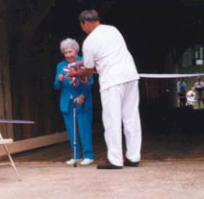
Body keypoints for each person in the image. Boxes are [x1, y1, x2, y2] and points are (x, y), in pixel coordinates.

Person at [69, 9, 142, 169]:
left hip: (112, 80)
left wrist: (74, 73)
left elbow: (89, 69)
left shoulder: (89, 41)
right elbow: (106, 55)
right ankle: (133, 157)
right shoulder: (113, 30)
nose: (83, 29)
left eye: (82, 26)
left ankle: (115, 160)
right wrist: (81, 64)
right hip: (130, 74)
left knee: (112, 120)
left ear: (85, 23)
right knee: (131, 117)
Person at [54, 38, 94, 166]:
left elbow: (90, 81)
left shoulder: (83, 62)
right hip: (67, 102)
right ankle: (75, 156)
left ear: (76, 51)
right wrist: (59, 80)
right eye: (65, 52)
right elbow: (55, 86)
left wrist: (83, 96)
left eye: (70, 51)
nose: (68, 55)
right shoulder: (60, 65)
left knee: (84, 128)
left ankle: (88, 155)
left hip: (82, 100)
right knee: (72, 130)